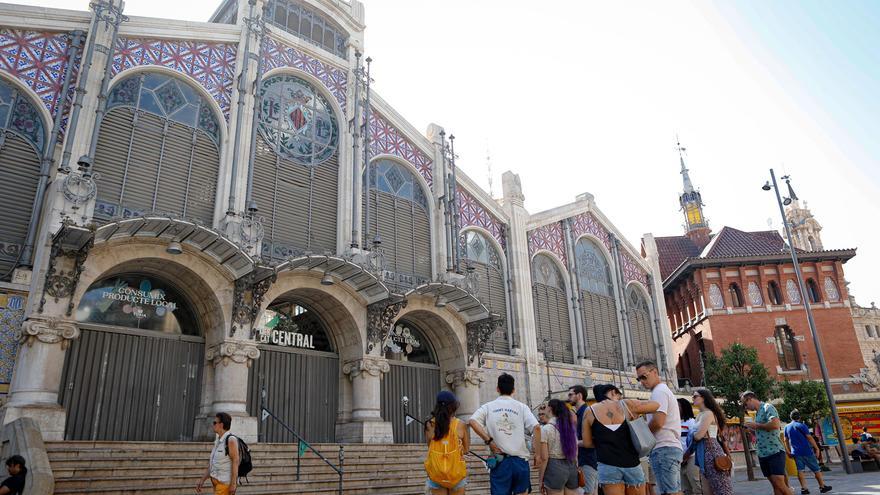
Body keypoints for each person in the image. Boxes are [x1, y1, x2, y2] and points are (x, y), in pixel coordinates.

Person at [582, 383, 660, 495]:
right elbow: (656, 405)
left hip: (607, 464)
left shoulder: (589, 411)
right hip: (631, 463)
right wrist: (630, 405)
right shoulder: (628, 405)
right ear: (613, 392)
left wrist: (604, 440)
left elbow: (587, 443)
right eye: (620, 395)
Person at [470, 373, 540, 495]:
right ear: (513, 390)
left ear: (497, 389)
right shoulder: (522, 407)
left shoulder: (488, 407)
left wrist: (489, 441)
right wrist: (538, 454)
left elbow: (472, 421)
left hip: (500, 461)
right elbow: (537, 428)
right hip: (520, 461)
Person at [635, 360, 682, 495]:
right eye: (639, 379)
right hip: (669, 447)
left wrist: (643, 436)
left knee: (669, 492)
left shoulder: (659, 392)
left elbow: (658, 422)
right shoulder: (662, 391)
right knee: (674, 491)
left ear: (655, 372)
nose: (642, 381)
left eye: (644, 376)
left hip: (664, 448)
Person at [741, 391, 788, 495]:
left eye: (745, 404)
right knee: (775, 485)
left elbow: (775, 425)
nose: (746, 407)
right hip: (763, 452)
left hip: (774, 451)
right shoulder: (757, 413)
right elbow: (763, 430)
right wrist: (751, 431)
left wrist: (756, 426)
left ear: (750, 399)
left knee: (779, 483)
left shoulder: (768, 407)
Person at [424, 390, 469, 495]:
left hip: (436, 473)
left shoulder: (429, 425)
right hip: (456, 474)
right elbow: (466, 450)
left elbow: (429, 446)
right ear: (453, 406)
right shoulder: (461, 424)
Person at [689, 389, 733, 495]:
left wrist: (691, 435)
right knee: (707, 489)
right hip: (703, 451)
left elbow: (699, 435)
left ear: (703, 398)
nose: (693, 399)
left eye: (695, 396)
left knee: (720, 487)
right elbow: (698, 435)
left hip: (711, 451)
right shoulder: (700, 414)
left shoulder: (708, 413)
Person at [536, 398, 581, 495]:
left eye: (546, 406)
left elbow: (544, 458)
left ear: (550, 409)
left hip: (554, 468)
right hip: (571, 465)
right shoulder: (570, 427)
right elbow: (576, 452)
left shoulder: (546, 429)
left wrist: (540, 480)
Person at [783, 410, 831, 495]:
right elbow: (809, 438)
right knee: (816, 469)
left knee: (800, 470)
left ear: (790, 417)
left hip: (796, 452)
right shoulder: (802, 426)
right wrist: (817, 448)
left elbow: (785, 440)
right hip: (806, 451)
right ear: (799, 417)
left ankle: (804, 489)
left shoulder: (787, 427)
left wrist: (788, 451)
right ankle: (822, 486)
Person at [197, 412, 240, 495]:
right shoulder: (218, 441)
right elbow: (213, 464)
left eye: (215, 423)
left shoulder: (231, 440)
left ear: (221, 425)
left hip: (225, 484)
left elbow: (236, 461)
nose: (213, 425)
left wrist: (233, 484)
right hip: (216, 484)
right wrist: (202, 480)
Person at [570, 385, 599, 495]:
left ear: (579, 395)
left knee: (587, 492)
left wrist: (574, 443)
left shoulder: (587, 412)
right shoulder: (580, 413)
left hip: (588, 460)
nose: (569, 397)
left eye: (571, 394)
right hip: (586, 459)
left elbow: (594, 439)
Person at [677, 398, 702, 495]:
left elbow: (695, 441)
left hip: (691, 457)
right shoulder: (674, 422)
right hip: (679, 459)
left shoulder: (691, 422)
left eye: (678, 406)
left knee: (696, 485)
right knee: (685, 488)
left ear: (684, 407)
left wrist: (686, 456)